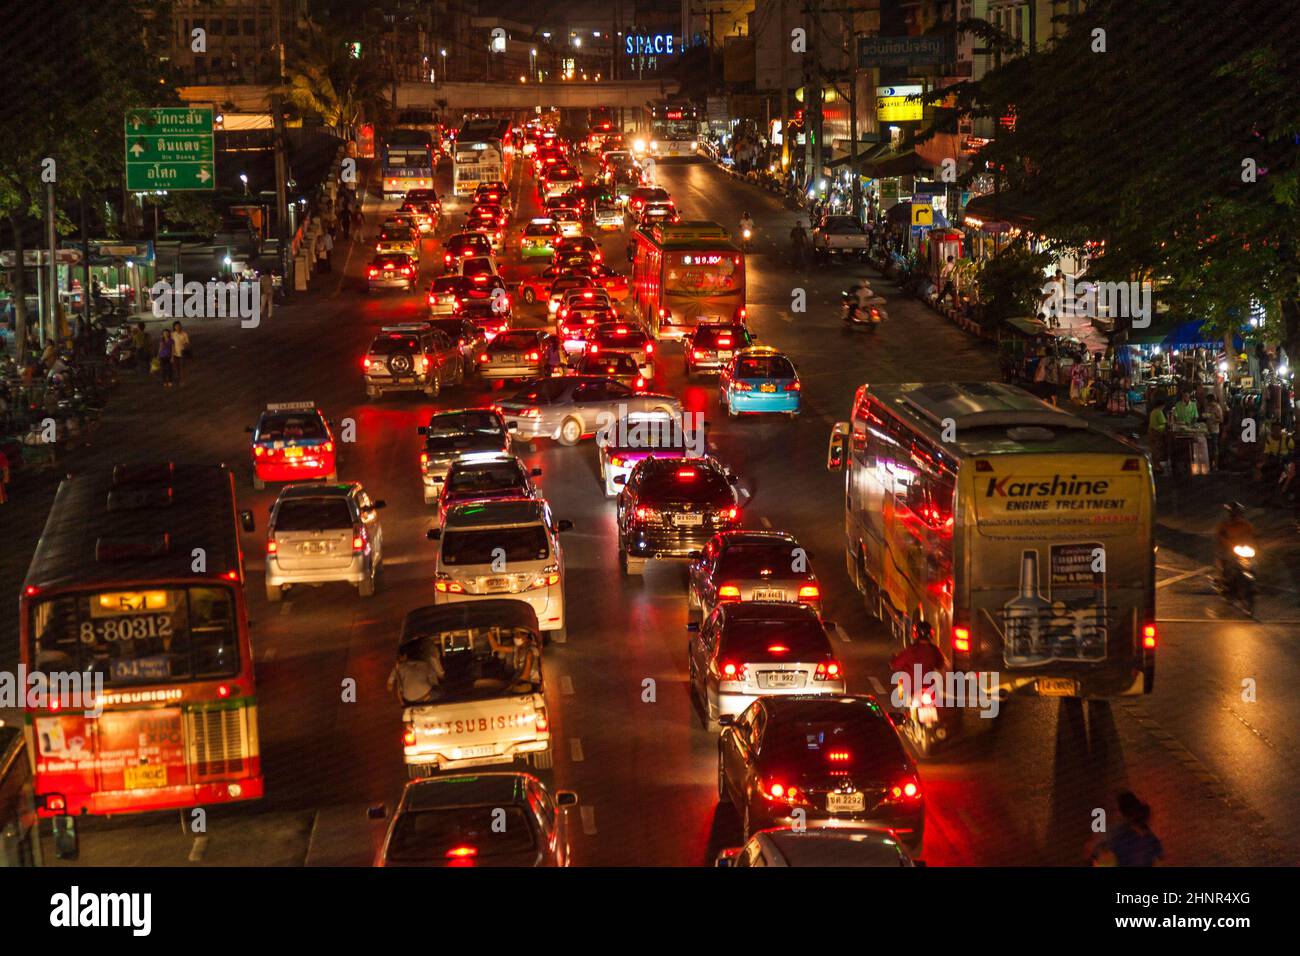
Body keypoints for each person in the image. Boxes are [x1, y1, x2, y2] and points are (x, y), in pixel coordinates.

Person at [1089, 792, 1163, 866]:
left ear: (1121, 812)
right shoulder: (1148, 836)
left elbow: (1096, 852)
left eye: (1115, 810)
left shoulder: (1118, 834)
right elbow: (1159, 856)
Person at [1214, 502, 1256, 581]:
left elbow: (1253, 536)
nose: (1236, 516)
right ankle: (1223, 579)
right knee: (1224, 562)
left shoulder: (1246, 524)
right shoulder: (1224, 525)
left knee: (1253, 563)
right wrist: (1225, 542)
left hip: (1242, 548)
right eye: (1233, 514)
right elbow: (1219, 536)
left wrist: (1255, 544)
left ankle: (1253, 582)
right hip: (1227, 549)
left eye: (1238, 513)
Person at [1147, 401, 1170, 474]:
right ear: (1161, 405)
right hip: (1157, 433)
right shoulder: (1159, 412)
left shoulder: (1153, 411)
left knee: (1154, 449)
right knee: (1158, 449)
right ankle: (1157, 467)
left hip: (1151, 432)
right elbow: (1164, 423)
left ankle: (1155, 466)